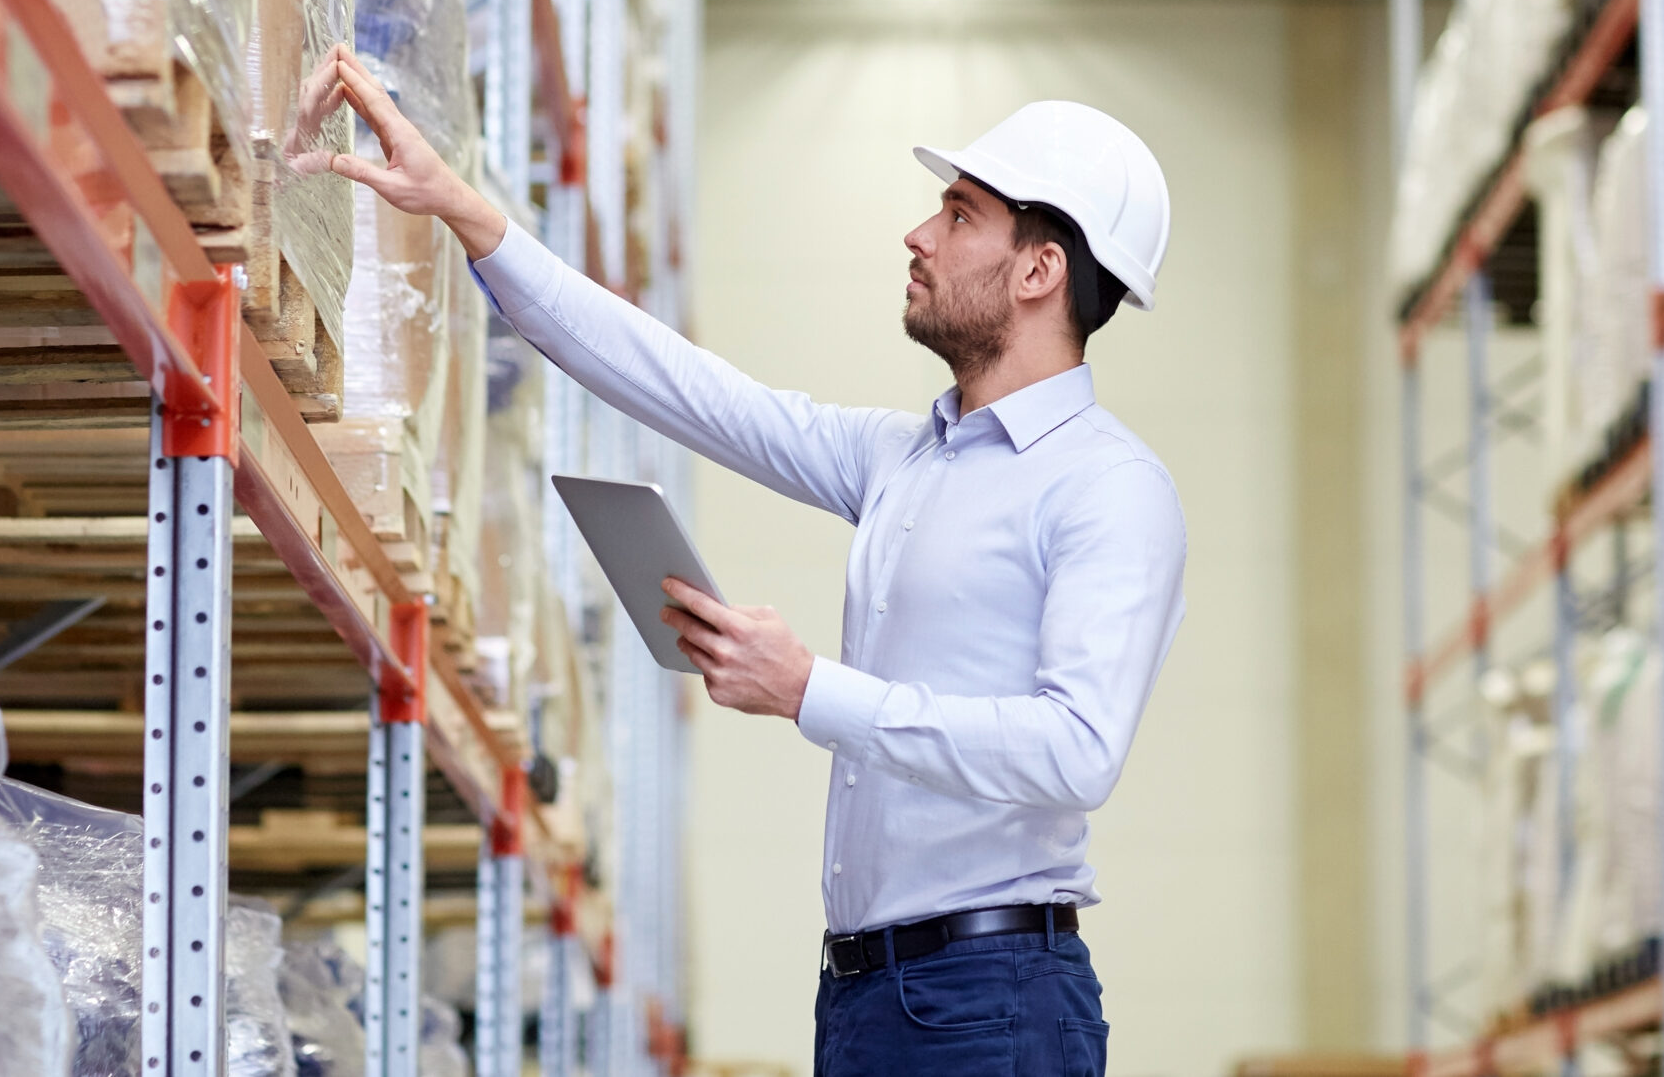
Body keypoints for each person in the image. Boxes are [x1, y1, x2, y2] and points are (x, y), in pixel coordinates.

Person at [313, 53, 1187, 1077]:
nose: (916, 233)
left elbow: (1077, 748)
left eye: (956, 214)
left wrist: (810, 686)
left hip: (991, 997)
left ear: (1038, 269)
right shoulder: (901, 457)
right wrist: (463, 211)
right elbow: (691, 390)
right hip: (868, 994)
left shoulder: (1108, 485)